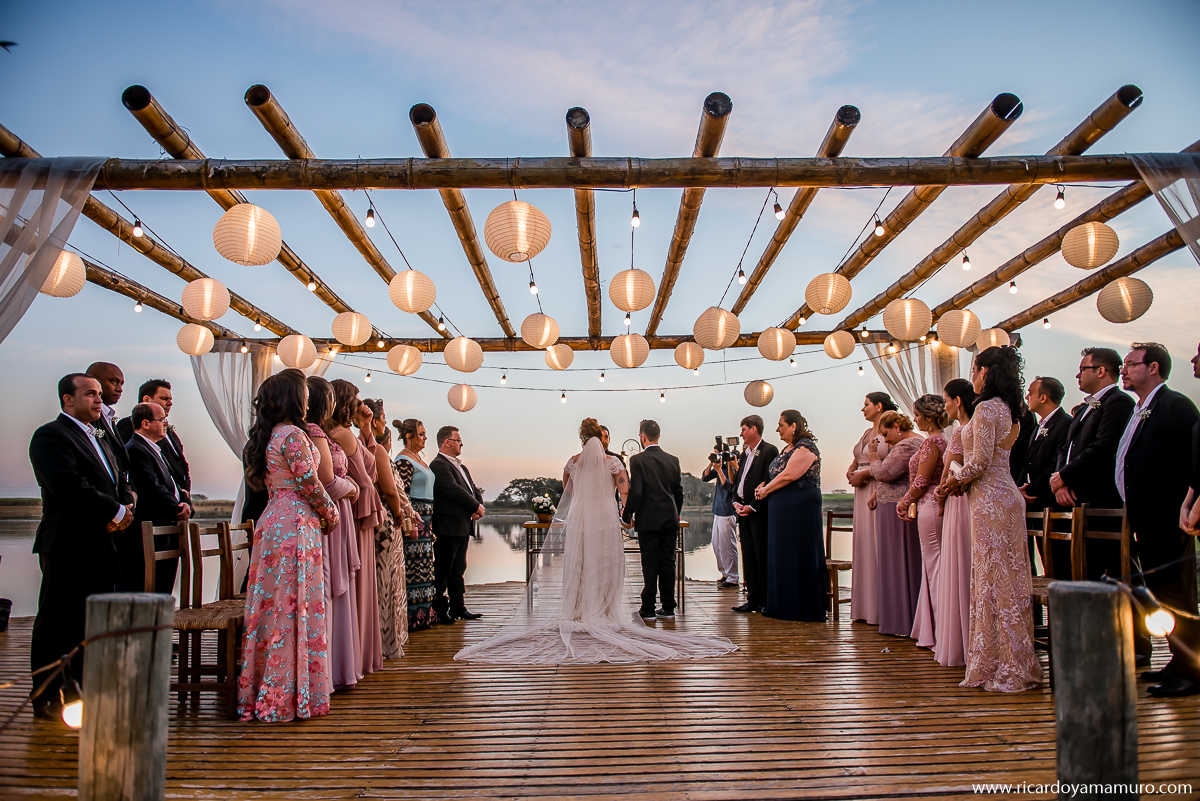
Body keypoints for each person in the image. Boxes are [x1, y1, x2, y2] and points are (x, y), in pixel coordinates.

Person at [454, 419, 736, 664]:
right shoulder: (614, 462)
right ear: (600, 438)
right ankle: (606, 608)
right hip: (605, 517)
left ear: (580, 438)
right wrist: (626, 516)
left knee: (580, 560)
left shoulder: (572, 462)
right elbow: (625, 490)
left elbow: (568, 490)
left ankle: (578, 609)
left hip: (580, 518)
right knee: (607, 561)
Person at [28, 374, 134, 721]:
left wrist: (127, 505)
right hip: (69, 542)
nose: (98, 400)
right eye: (90, 393)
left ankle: (83, 690)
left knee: (94, 623)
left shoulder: (102, 437)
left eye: (100, 395)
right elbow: (68, 485)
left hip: (106, 541)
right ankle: (46, 695)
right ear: (67, 400)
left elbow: (120, 479)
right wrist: (114, 511)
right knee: (58, 622)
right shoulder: (51, 436)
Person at [238, 369, 337, 722]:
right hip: (295, 524)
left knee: (275, 606)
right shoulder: (293, 434)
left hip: (273, 520)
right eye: (304, 394)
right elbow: (309, 482)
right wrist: (332, 511)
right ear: (293, 399)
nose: (309, 399)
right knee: (293, 606)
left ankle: (269, 691)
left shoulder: (270, 434)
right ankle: (286, 697)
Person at [944, 346, 1042, 693]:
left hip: (991, 499)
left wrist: (954, 481)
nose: (972, 373)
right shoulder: (1012, 411)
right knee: (1003, 579)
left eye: (974, 367)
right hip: (1003, 494)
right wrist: (962, 481)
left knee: (994, 579)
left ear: (985, 371)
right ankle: (1001, 660)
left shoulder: (986, 408)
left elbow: (980, 462)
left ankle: (1007, 665)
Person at [1115, 343, 1200, 697]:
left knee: (1178, 594)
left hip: (1168, 517)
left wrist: (1187, 505)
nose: (1124, 370)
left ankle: (1193, 670)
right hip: (1144, 518)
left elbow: (1192, 462)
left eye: (1130, 364)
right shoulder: (1141, 409)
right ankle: (1177, 661)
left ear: (1153, 368)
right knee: (1162, 593)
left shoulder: (1175, 406)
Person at [1051, 347, 1135, 581]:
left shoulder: (1119, 402)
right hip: (1076, 500)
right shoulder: (1086, 407)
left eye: (1082, 369)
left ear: (1100, 371)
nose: (1077, 375)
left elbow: (1103, 447)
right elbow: (1065, 448)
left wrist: (1065, 476)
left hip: (1101, 500)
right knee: (1079, 572)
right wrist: (1060, 482)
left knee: (1104, 574)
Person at [304, 376, 361, 691]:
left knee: (336, 588)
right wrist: (351, 487)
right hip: (330, 515)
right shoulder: (314, 433)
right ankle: (329, 672)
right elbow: (326, 481)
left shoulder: (317, 433)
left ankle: (338, 668)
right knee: (328, 587)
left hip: (338, 513)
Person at [329, 379, 383, 678]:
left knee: (359, 584)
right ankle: (357, 656)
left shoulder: (342, 433)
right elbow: (367, 476)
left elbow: (369, 465)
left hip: (356, 508)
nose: (360, 404)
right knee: (360, 584)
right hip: (356, 510)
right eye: (356, 399)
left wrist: (366, 427)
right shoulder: (342, 434)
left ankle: (355, 655)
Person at [754, 410, 826, 622]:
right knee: (782, 553)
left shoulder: (806, 446)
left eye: (781, 425)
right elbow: (777, 475)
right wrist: (764, 485)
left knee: (797, 552)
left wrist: (766, 490)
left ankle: (800, 607)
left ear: (794, 426)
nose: (777, 429)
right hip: (781, 508)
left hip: (799, 507)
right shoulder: (786, 449)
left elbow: (790, 474)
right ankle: (781, 604)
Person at [362, 398, 418, 659]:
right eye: (383, 418)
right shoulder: (377, 450)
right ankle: (388, 642)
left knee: (376, 582)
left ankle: (373, 640)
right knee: (388, 583)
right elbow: (391, 490)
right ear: (374, 421)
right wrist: (399, 515)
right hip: (385, 522)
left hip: (370, 520)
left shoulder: (357, 444)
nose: (385, 423)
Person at [122, 401, 192, 593]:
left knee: (165, 584)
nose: (166, 425)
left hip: (166, 525)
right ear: (145, 423)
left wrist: (186, 503)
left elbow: (175, 485)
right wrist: (178, 507)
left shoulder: (153, 448)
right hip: (151, 527)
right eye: (162, 420)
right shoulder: (135, 449)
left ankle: (161, 620)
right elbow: (153, 488)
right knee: (150, 585)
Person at [621, 419, 684, 620]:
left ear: (642, 436)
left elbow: (637, 492)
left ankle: (648, 608)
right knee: (668, 562)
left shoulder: (637, 460)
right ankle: (668, 607)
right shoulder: (673, 460)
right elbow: (678, 492)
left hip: (648, 520)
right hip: (669, 519)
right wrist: (676, 512)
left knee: (649, 563)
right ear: (658, 436)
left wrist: (627, 514)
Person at [868, 411, 924, 637]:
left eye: (887, 434)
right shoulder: (916, 442)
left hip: (897, 509)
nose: (886, 440)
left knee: (897, 563)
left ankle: (900, 621)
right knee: (902, 562)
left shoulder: (907, 446)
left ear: (898, 425)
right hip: (895, 505)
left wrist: (872, 454)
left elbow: (884, 472)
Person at [933, 379, 976, 668]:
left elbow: (952, 469)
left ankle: (965, 638)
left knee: (962, 563)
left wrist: (941, 492)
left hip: (961, 502)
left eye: (946, 400)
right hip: (959, 498)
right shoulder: (964, 430)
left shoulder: (962, 430)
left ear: (957, 401)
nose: (944, 406)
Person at [901, 395, 948, 649]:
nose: (915, 419)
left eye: (917, 415)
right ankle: (934, 629)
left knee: (935, 566)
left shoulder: (932, 442)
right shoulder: (940, 441)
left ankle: (941, 631)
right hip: (929, 506)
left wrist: (904, 501)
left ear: (928, 417)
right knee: (932, 564)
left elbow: (921, 481)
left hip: (929, 506)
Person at [846, 392, 896, 625]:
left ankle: (880, 609)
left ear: (879, 405)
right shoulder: (867, 432)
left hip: (879, 486)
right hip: (861, 489)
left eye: (866, 405)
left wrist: (866, 474)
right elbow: (858, 456)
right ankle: (864, 608)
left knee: (877, 544)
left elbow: (895, 459)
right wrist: (852, 468)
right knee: (864, 544)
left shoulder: (891, 427)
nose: (862, 409)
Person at [1016, 376, 1072, 580]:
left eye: (1031, 392)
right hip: (1035, 502)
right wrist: (1020, 487)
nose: (1027, 396)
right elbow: (1027, 461)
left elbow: (1056, 464)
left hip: (1050, 502)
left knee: (1059, 565)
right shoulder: (1038, 427)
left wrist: (1031, 490)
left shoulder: (1065, 423)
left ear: (1044, 397)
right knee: (1046, 561)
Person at [430, 425, 486, 623]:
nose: (461, 443)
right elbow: (453, 490)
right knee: (443, 570)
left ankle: (458, 607)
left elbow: (472, 489)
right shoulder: (438, 465)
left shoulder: (461, 467)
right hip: (447, 526)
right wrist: (475, 506)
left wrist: (479, 505)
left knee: (458, 569)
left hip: (462, 526)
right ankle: (439, 609)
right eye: (458, 440)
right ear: (447, 442)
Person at [730, 415, 779, 614]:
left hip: (759, 512)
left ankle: (766, 600)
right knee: (748, 556)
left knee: (761, 556)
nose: (741, 434)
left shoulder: (769, 450)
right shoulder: (744, 454)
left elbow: (769, 482)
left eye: (743, 430)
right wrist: (735, 502)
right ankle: (752, 599)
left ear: (753, 429)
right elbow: (738, 482)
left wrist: (752, 506)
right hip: (743, 511)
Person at [395, 418, 437, 631]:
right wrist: (410, 522)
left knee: (426, 567)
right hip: (414, 520)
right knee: (413, 568)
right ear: (408, 436)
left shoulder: (419, 459)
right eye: (421, 434)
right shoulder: (403, 460)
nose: (425, 437)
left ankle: (426, 614)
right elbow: (403, 494)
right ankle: (412, 618)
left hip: (427, 520)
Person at [117, 379, 190, 495]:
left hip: (178, 497)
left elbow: (181, 463)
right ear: (146, 399)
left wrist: (184, 493)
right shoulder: (129, 425)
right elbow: (127, 464)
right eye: (164, 399)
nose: (170, 403)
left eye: (170, 399)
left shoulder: (170, 432)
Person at [700, 442, 740, 589]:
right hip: (718, 510)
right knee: (717, 544)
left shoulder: (730, 467)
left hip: (728, 511)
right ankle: (725, 573)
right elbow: (704, 478)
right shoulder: (717, 467)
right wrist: (711, 464)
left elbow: (729, 487)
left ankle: (733, 577)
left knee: (728, 545)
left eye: (718, 453)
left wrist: (721, 468)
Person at [86, 362, 132, 480]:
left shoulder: (109, 418)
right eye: (113, 382)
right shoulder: (87, 419)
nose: (120, 389)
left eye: (121, 384)